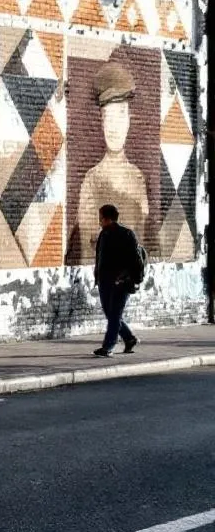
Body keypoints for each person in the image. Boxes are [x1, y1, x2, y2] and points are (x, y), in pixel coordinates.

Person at [76, 60, 148, 260]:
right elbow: (87, 253)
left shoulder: (137, 179)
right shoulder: (91, 181)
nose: (114, 126)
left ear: (129, 120)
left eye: (121, 114)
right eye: (108, 116)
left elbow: (140, 248)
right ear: (101, 121)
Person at [93, 204, 141, 357]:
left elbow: (135, 259)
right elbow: (100, 258)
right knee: (111, 313)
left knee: (114, 314)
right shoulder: (103, 234)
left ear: (107, 219)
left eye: (100, 218)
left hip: (121, 282)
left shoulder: (126, 234)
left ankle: (108, 347)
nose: (99, 221)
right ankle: (129, 338)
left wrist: (128, 277)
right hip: (104, 281)